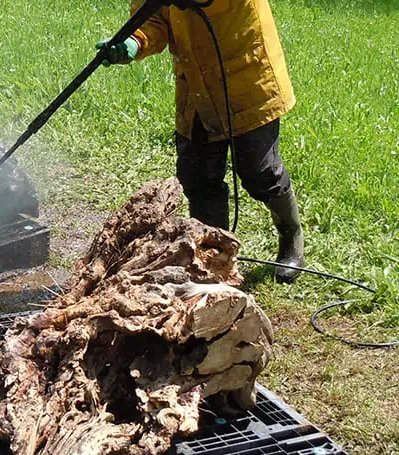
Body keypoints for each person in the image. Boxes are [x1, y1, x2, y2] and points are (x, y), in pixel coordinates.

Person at [97, 0, 304, 283]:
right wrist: (135, 40)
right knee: (198, 176)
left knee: (260, 172)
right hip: (197, 85)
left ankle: (291, 236)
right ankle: (214, 260)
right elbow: (153, 14)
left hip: (248, 75)